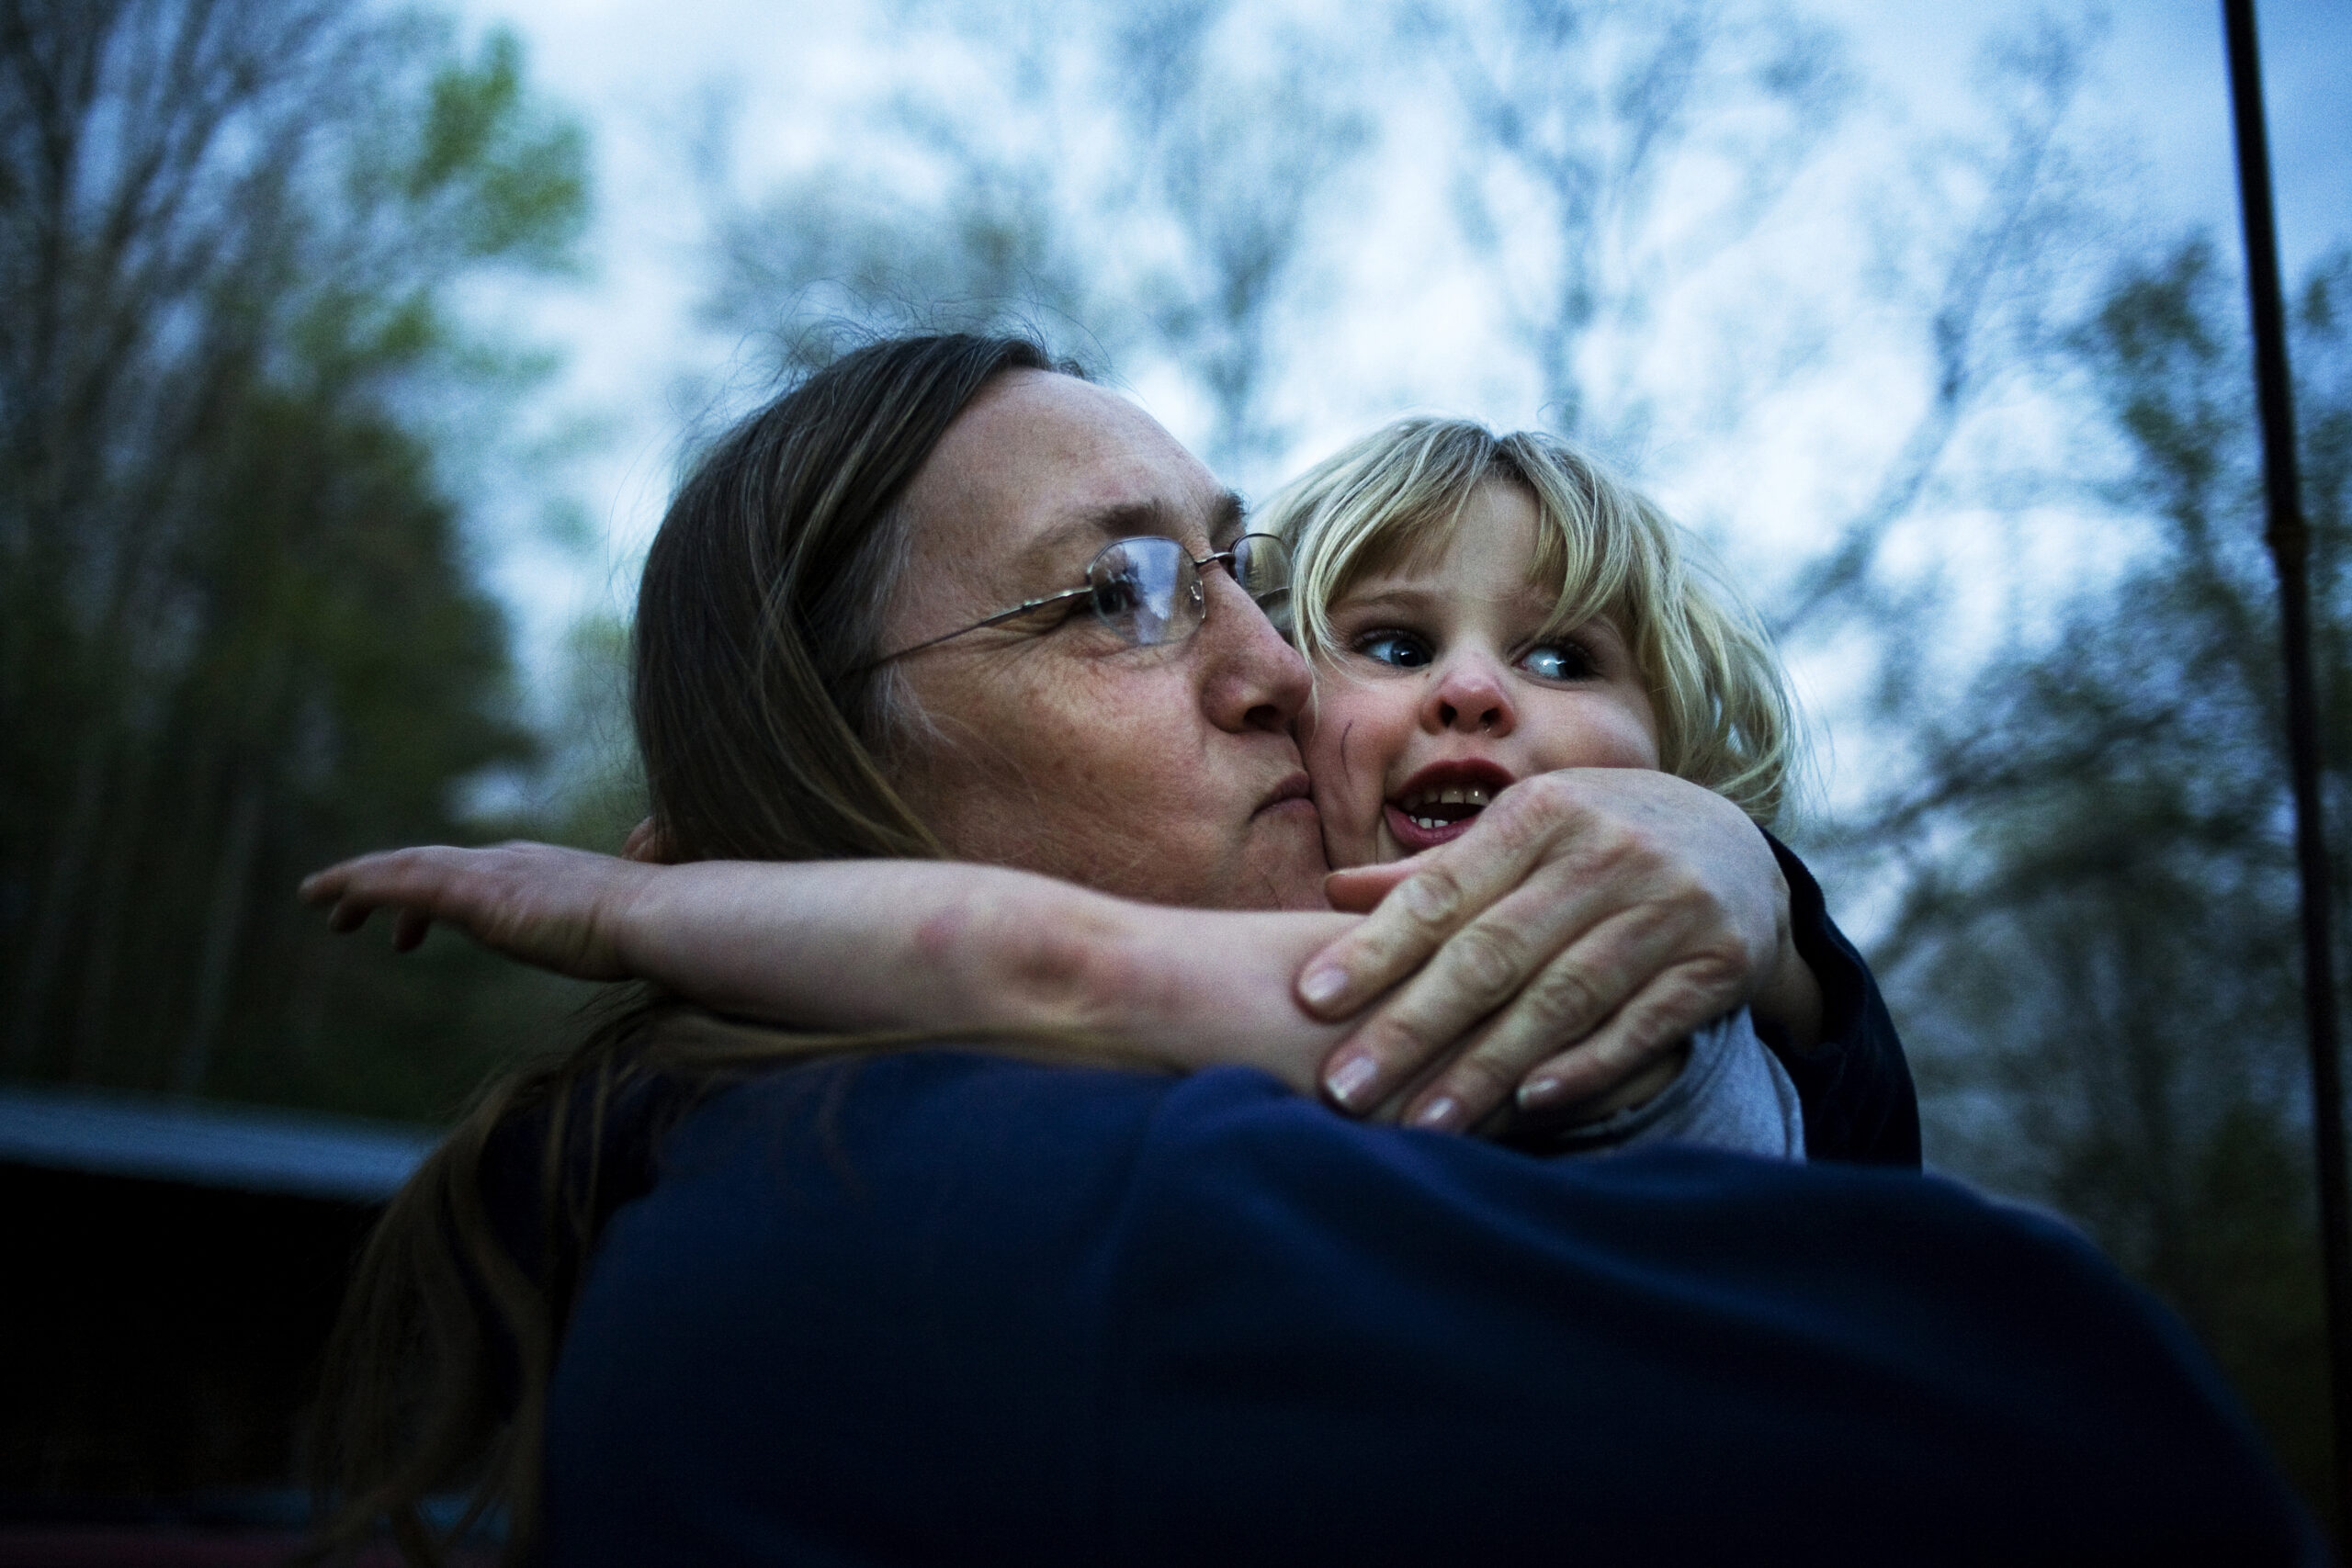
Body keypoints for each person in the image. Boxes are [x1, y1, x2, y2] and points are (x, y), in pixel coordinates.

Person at [306, 335, 2318, 1565]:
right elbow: (2061, 1429)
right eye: (1119, 593)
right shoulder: (1069, 1223)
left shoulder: (783, 1183)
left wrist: (1760, 915)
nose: (1278, 670)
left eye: (1251, 576)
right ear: (814, 791)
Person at [309, 415, 1813, 1156]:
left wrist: (647, 913)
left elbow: (1049, 964)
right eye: (1392, 643)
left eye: (1564, 665)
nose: (1474, 691)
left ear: (1685, 765)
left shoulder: (1598, 989)